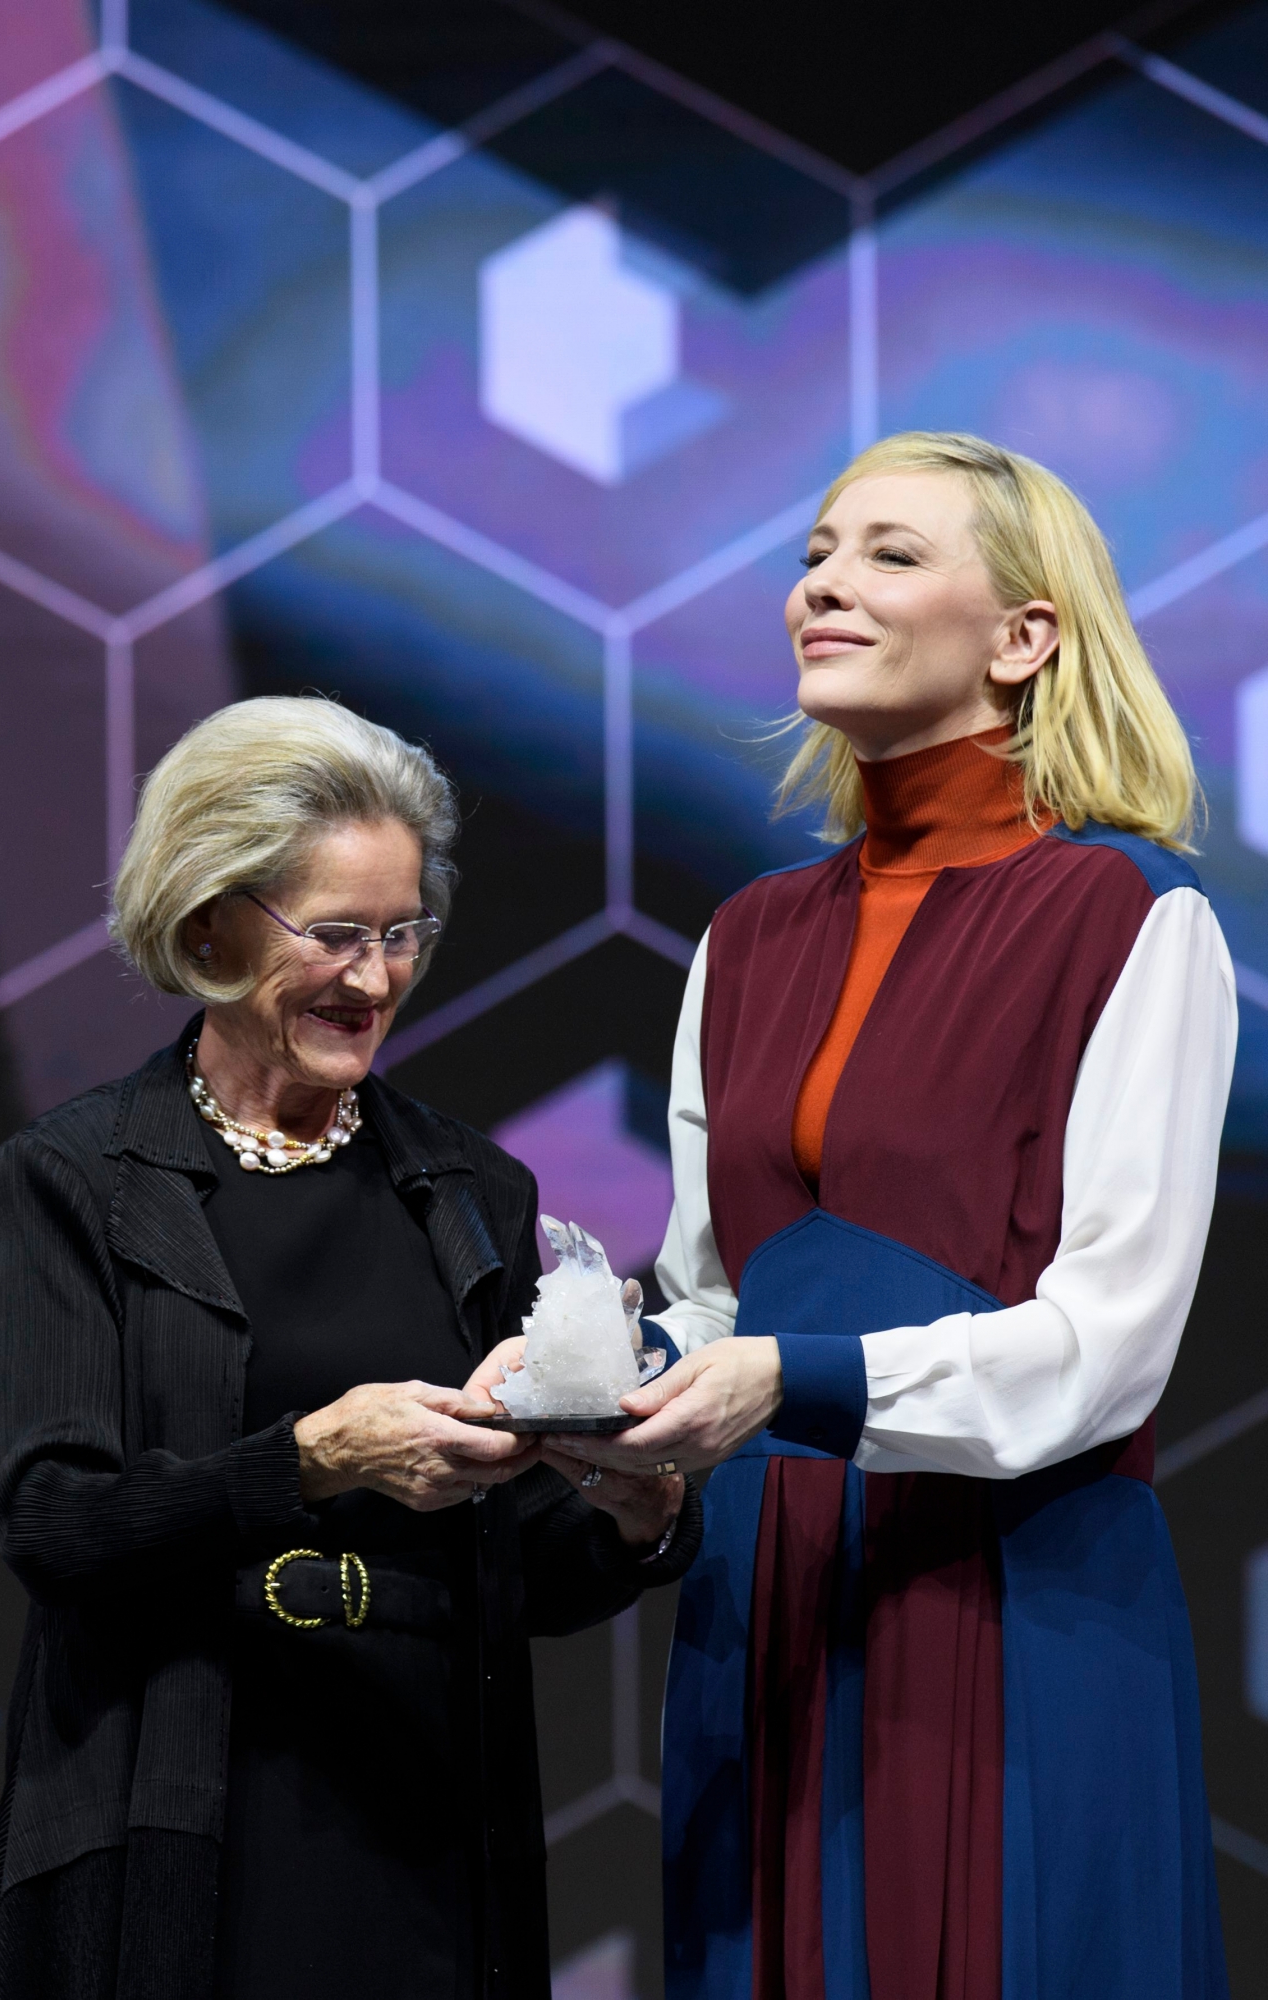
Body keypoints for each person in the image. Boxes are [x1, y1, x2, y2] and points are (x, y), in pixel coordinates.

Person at [547, 433, 1237, 1998]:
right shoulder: (744, 938)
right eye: (812, 554)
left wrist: (786, 1383)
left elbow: (1107, 1348)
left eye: (886, 554)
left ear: (1022, 639)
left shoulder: (1127, 915)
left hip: (1013, 1601)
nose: (822, 587)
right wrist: (598, 1400)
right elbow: (714, 1296)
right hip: (766, 1604)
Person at [0, 696, 701, 2000]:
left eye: (404, 932)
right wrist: (309, 1458)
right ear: (207, 926)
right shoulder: (76, 1176)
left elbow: (527, 1574)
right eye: (337, 935)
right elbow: (54, 1524)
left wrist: (635, 1521)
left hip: (420, 1813)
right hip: (172, 1800)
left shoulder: (471, 1191)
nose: (378, 978)